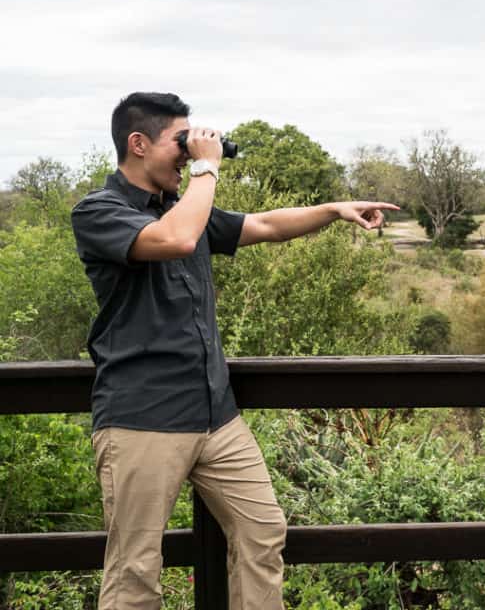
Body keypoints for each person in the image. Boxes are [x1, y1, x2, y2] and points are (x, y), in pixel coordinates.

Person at [71, 92, 399, 610]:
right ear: (137, 144)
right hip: (143, 417)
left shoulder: (186, 211)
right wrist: (205, 167)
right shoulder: (99, 211)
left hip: (216, 416)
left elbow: (264, 225)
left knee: (263, 533)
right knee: (135, 569)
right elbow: (174, 240)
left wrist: (333, 210)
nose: (186, 155)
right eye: (178, 143)